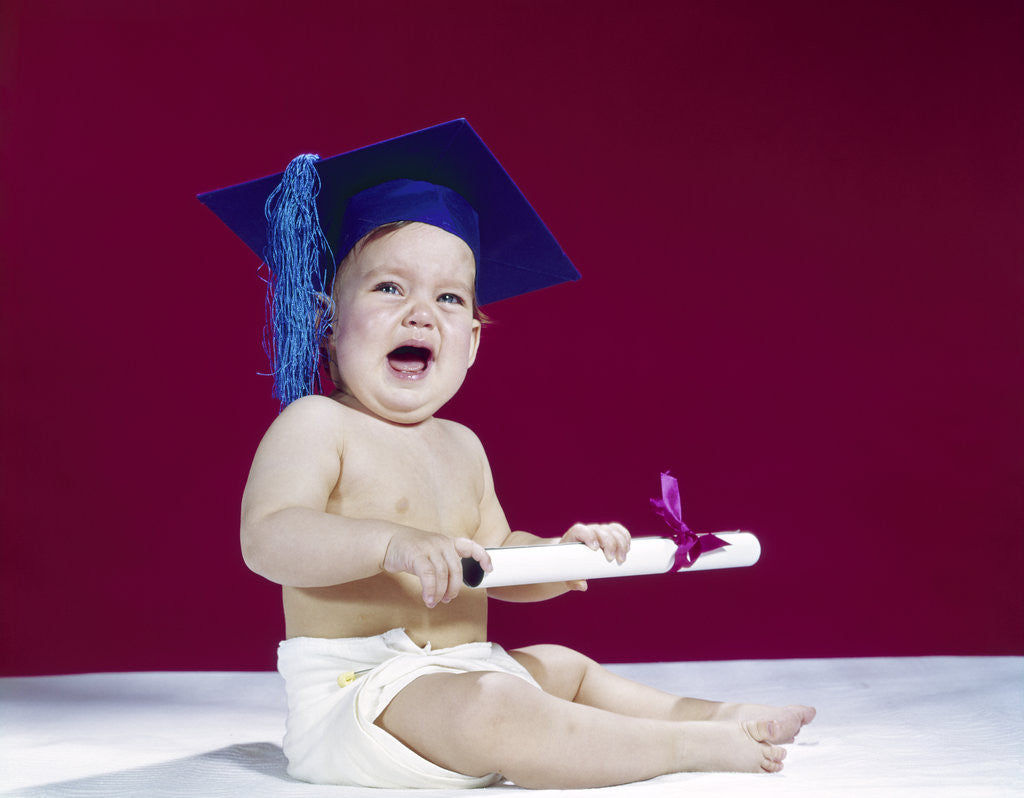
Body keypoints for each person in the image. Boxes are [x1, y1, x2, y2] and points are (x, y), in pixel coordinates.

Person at [199, 120, 815, 789]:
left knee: (564, 665)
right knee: (496, 709)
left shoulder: (462, 446)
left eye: (448, 298)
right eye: (388, 288)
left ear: (472, 343)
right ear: (325, 322)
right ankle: (690, 748)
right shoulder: (317, 424)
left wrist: (562, 556)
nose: (419, 314)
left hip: (469, 668)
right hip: (363, 692)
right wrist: (389, 544)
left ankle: (719, 716)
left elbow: (494, 558)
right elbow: (269, 538)